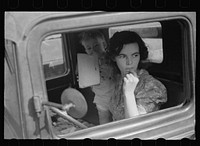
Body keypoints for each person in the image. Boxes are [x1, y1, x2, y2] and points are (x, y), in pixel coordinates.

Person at [107, 31, 167, 121]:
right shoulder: (119, 79)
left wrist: (129, 93)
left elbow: (135, 126)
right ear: (113, 58)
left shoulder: (151, 86)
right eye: (123, 56)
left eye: (135, 55)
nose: (130, 62)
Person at [78, 30, 115, 124]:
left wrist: (111, 73)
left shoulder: (111, 59)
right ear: (85, 50)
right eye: (89, 48)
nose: (93, 50)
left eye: (96, 46)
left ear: (104, 44)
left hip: (115, 96)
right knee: (104, 120)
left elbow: (118, 75)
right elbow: (87, 82)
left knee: (117, 119)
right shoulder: (87, 63)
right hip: (101, 98)